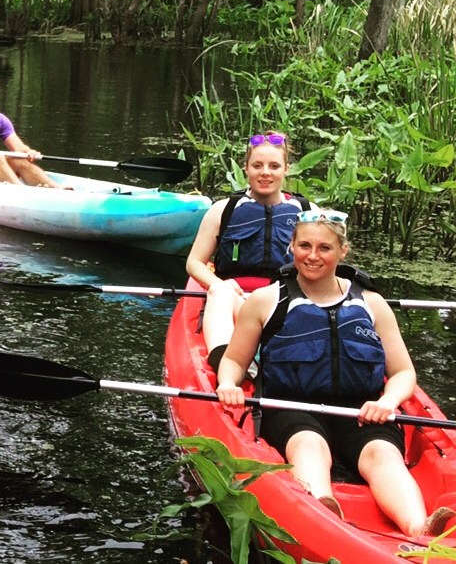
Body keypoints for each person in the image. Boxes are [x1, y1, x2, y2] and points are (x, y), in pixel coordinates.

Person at [215, 211, 456, 536]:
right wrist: (227, 383)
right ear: (292, 247)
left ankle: (418, 528)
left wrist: (387, 401)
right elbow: (234, 361)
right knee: (310, 445)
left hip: (361, 410)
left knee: (382, 454)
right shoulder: (265, 300)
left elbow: (402, 373)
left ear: (343, 251)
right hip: (290, 408)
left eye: (324, 248)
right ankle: (322, 508)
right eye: (304, 246)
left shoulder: (371, 303)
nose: (312, 256)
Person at [185, 131, 314, 371]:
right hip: (235, 299)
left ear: (286, 169)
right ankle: (224, 363)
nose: (265, 172)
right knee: (219, 293)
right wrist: (218, 284)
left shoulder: (307, 213)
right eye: (257, 165)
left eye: (274, 166)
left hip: (283, 300)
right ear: (246, 168)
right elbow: (194, 263)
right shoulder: (223, 210)